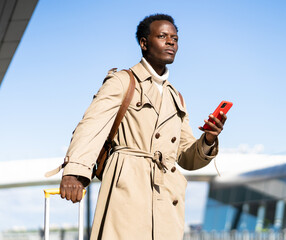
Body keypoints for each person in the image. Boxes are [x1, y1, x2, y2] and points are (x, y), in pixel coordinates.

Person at [59, 14, 228, 240]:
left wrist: (208, 139)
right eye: (162, 36)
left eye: (175, 38)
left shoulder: (176, 97)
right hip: (128, 186)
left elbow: (186, 157)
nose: (171, 42)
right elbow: (91, 125)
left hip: (166, 195)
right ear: (144, 43)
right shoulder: (122, 81)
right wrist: (74, 172)